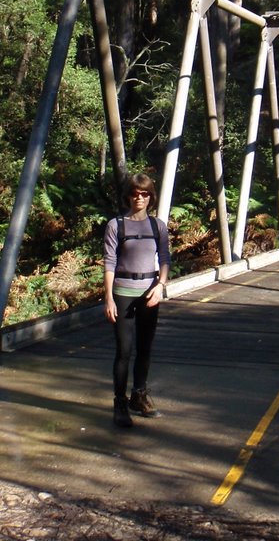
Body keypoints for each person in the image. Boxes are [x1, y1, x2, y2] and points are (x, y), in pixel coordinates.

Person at [103, 173, 171, 428]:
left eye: (144, 194)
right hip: (122, 292)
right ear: (128, 196)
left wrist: (160, 286)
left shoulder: (157, 226)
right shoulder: (115, 225)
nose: (139, 198)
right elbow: (109, 262)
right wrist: (108, 298)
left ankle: (139, 396)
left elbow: (164, 258)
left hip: (149, 293)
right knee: (124, 350)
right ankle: (120, 403)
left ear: (150, 196)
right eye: (134, 193)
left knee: (145, 349)